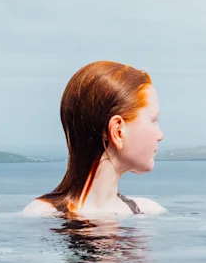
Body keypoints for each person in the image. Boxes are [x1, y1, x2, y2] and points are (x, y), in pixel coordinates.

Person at [22, 60, 166, 218]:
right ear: (118, 130)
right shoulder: (146, 214)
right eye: (154, 120)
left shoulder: (41, 215)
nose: (160, 135)